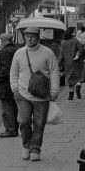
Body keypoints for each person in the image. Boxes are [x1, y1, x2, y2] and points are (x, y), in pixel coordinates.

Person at [10, 26, 60, 162]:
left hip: (42, 95)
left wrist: (54, 91)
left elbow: (54, 71)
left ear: (38, 37)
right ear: (24, 37)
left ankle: (35, 149)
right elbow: (13, 73)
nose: (30, 39)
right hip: (23, 94)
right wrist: (15, 88)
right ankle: (26, 145)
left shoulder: (48, 53)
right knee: (24, 121)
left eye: (33, 36)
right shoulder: (19, 53)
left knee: (39, 124)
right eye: (27, 36)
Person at [0, 32, 19, 137]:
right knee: (15, 107)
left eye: (1, 40)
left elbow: (4, 68)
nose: (0, 42)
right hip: (17, 82)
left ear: (5, 41)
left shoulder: (4, 52)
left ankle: (10, 129)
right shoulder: (17, 50)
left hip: (6, 83)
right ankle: (16, 128)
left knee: (7, 108)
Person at [59, 27, 85, 100]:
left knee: (70, 78)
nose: (75, 32)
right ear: (71, 32)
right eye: (74, 31)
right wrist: (78, 55)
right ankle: (78, 86)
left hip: (68, 63)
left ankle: (70, 95)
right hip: (77, 62)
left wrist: (59, 64)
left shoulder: (63, 42)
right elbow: (81, 49)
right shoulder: (75, 41)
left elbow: (61, 54)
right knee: (79, 77)